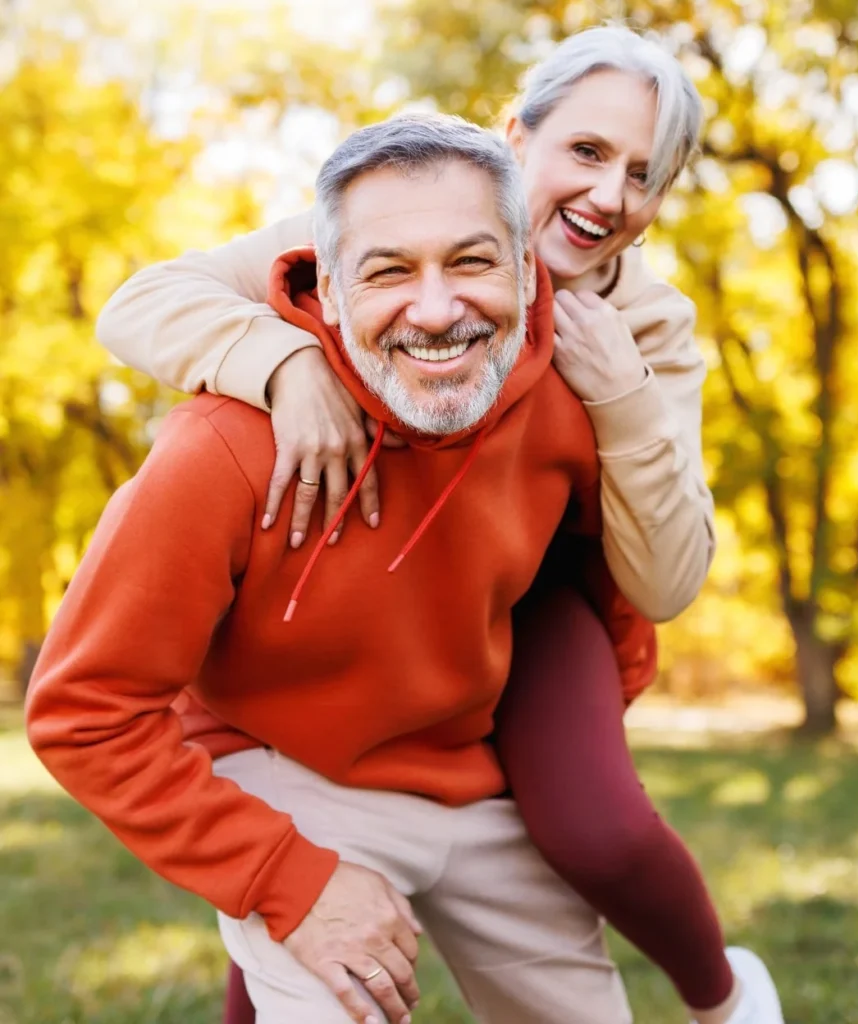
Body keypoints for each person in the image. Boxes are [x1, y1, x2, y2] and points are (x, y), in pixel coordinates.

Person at [96, 26, 784, 1024]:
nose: (608, 194)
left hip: (537, 586)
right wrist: (283, 363)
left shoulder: (650, 327)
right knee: (310, 805)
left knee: (593, 828)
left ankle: (726, 996)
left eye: (644, 175)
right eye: (587, 151)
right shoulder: (403, 215)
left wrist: (623, 396)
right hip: (377, 564)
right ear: (517, 136)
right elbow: (142, 304)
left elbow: (669, 577)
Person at [28, 112, 653, 1024]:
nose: (434, 310)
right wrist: (286, 876)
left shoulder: (563, 413)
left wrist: (581, 748)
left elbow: (606, 593)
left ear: (526, 271)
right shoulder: (221, 448)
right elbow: (83, 713)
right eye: (389, 271)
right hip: (282, 772)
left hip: (472, 781)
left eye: (472, 262)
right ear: (327, 285)